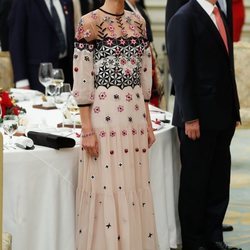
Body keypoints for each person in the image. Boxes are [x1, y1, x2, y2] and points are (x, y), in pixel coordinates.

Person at [72, 0, 159, 249]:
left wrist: (149, 125)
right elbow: (82, 79)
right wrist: (87, 130)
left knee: (134, 185)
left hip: (134, 122)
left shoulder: (138, 23)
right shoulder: (89, 23)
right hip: (103, 120)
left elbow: (144, 80)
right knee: (106, 186)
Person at [167, 0, 241, 249]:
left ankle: (213, 237)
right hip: (197, 119)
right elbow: (181, 72)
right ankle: (194, 241)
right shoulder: (183, 18)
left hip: (223, 115)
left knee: (219, 181)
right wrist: (190, 117)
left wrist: (235, 109)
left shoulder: (220, 14)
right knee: (195, 184)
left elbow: (226, 67)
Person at [8, 0, 75, 92]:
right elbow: (16, 41)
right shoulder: (23, 2)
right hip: (38, 77)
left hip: (65, 73)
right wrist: (21, 80)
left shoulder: (66, 2)